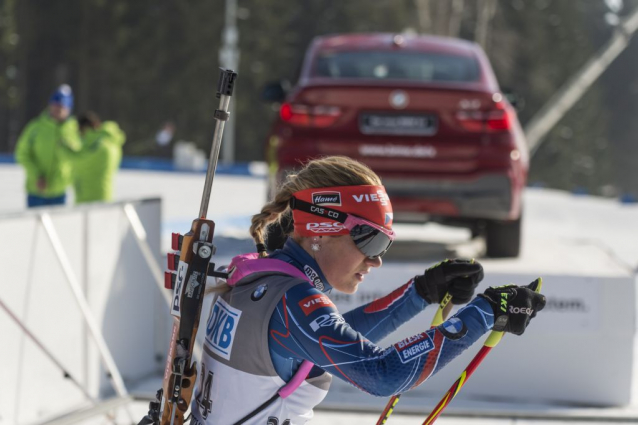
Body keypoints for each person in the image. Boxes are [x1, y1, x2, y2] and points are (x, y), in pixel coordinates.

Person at [191, 156, 546, 425]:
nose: (375, 260)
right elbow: (382, 374)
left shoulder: (257, 276)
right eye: (370, 240)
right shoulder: (292, 301)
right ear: (320, 229)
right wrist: (486, 312)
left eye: (384, 244)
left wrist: (420, 293)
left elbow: (325, 346)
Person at [14, 84, 82, 207]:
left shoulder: (74, 130)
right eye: (55, 106)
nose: (58, 110)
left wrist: (69, 180)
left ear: (68, 109)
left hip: (59, 192)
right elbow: (22, 153)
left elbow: (80, 157)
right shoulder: (36, 127)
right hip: (36, 192)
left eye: (62, 107)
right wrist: (36, 176)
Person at [72, 111, 126, 203]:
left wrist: (64, 149)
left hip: (90, 197)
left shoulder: (100, 146)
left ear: (85, 128)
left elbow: (77, 162)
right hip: (102, 195)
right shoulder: (111, 142)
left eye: (80, 131)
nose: (79, 135)